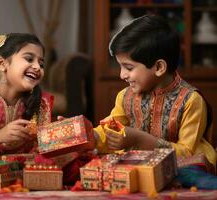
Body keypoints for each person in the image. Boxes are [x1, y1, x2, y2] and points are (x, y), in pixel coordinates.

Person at [93, 14, 217, 171]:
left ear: (159, 68)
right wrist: (87, 136)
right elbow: (110, 129)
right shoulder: (125, 96)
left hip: (184, 168)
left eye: (129, 68)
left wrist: (139, 139)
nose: (122, 75)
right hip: (143, 166)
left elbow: (187, 154)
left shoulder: (191, 100)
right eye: (120, 67)